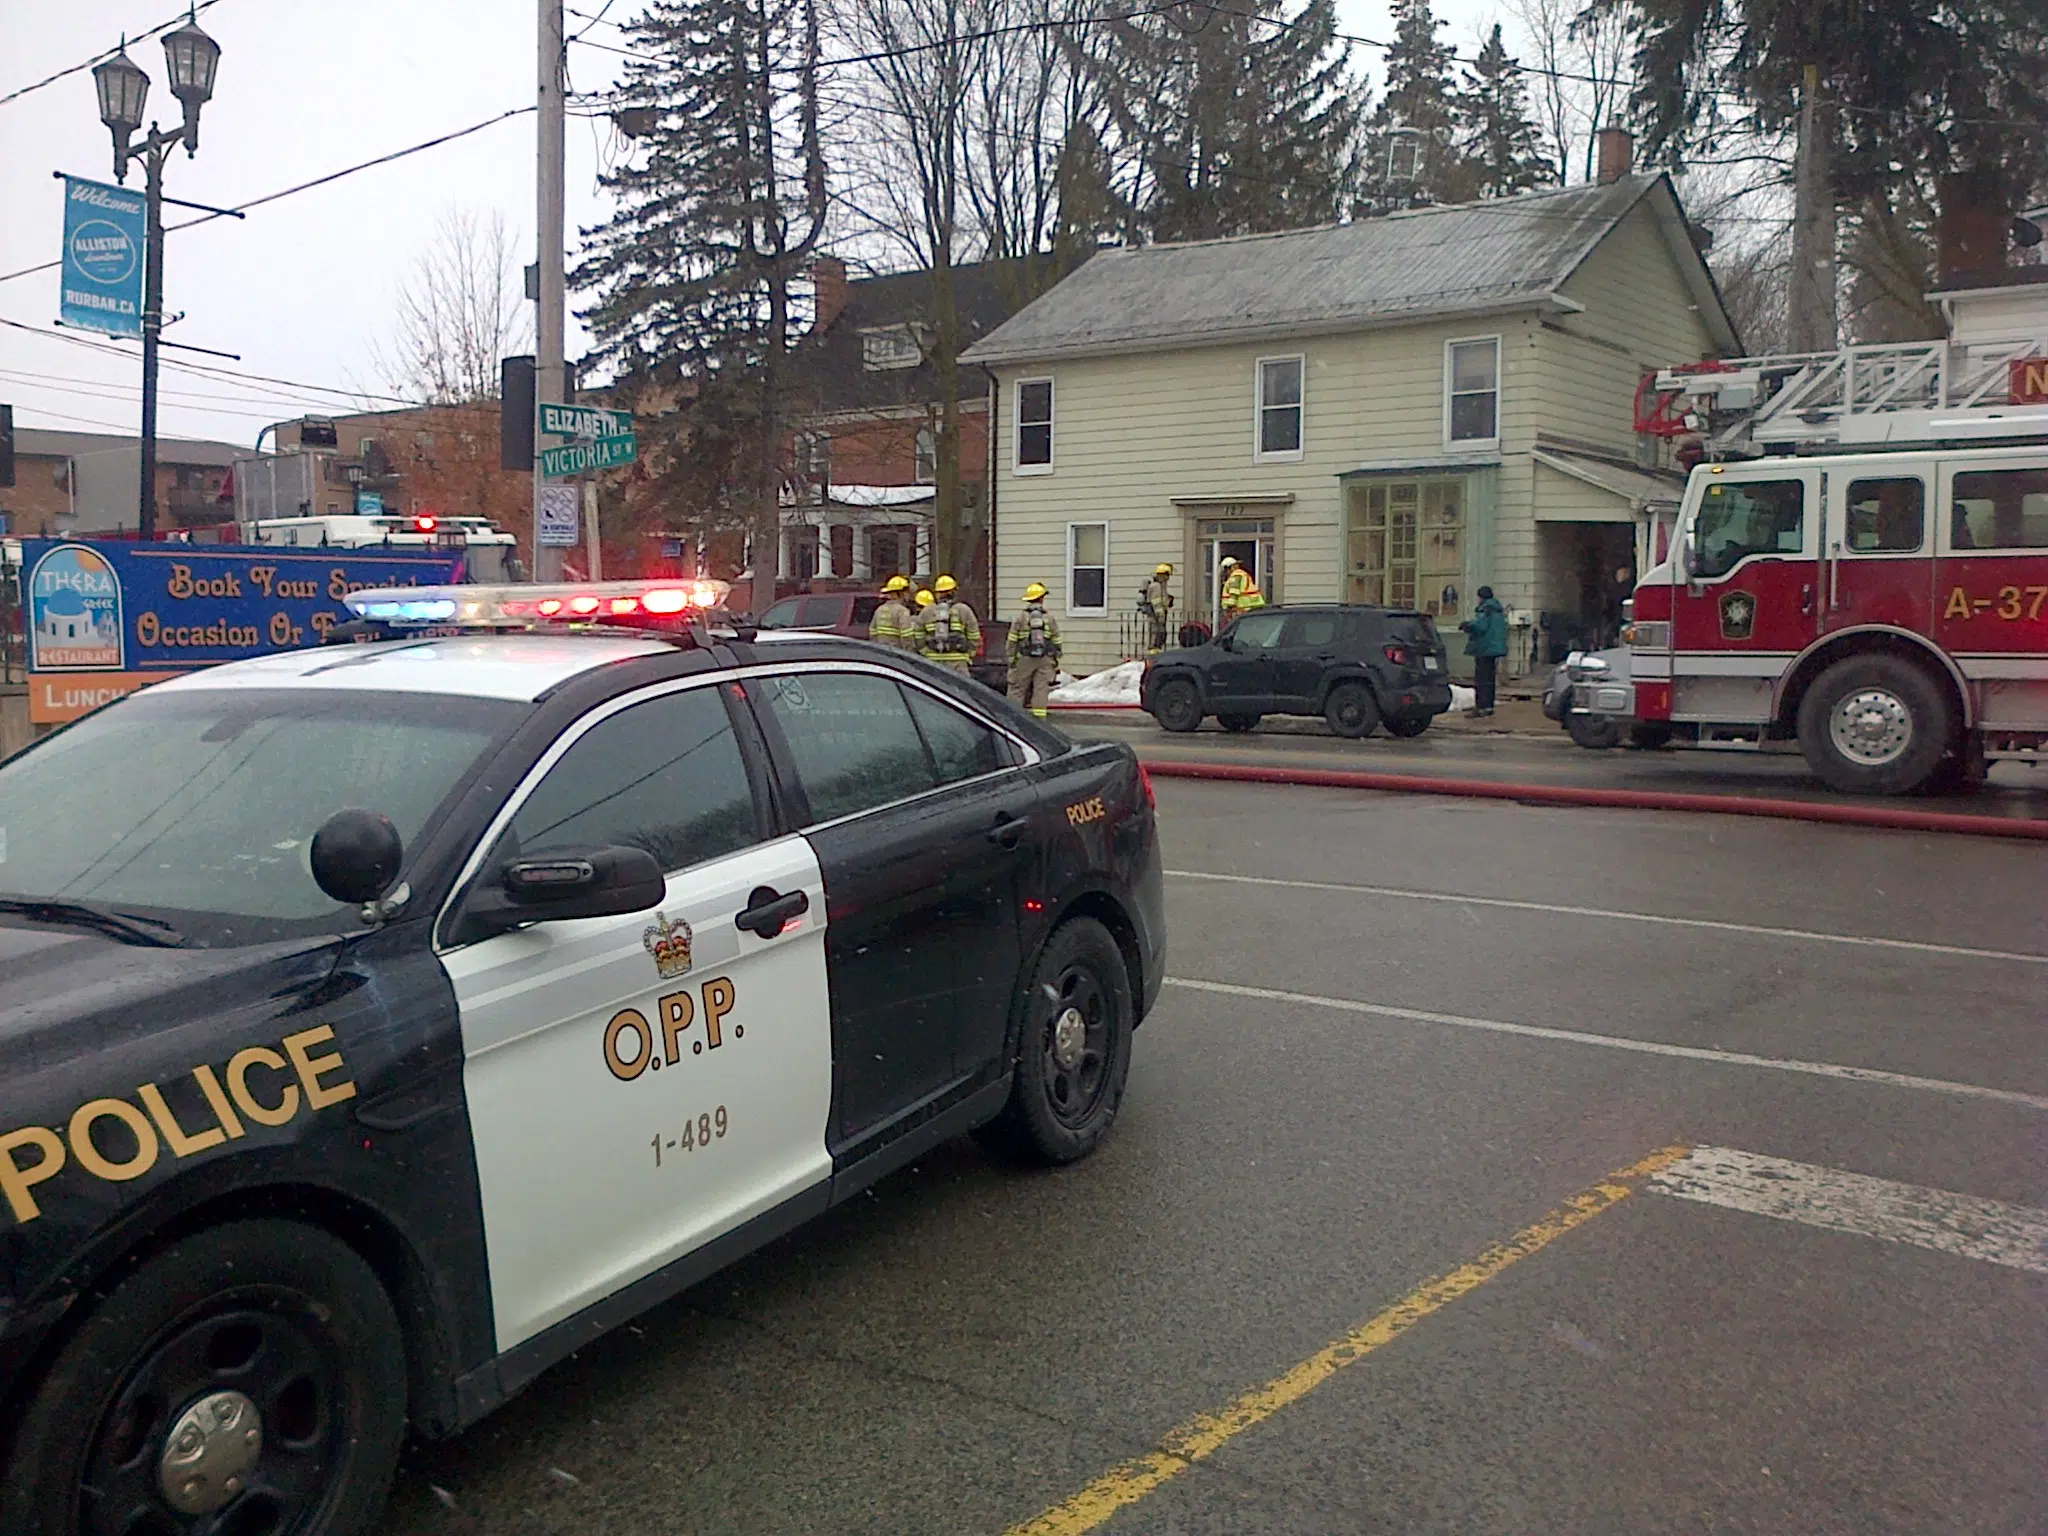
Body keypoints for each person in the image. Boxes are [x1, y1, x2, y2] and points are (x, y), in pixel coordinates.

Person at [1008, 582, 1062, 718]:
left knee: (1017, 689)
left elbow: (1012, 640)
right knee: (1040, 691)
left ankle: (1013, 719)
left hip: (1024, 659)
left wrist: (1012, 659)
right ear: (1042, 598)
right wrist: (1055, 659)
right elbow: (1057, 641)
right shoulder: (1049, 618)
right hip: (1045, 659)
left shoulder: (1020, 617)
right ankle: (1039, 722)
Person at [1459, 584, 1508, 717]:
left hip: (1484, 648)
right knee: (1489, 679)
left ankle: (1481, 707)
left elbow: (1480, 627)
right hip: (1494, 649)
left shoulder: (1485, 609)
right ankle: (1488, 706)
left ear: (1481, 597)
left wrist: (1466, 625)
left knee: (1481, 679)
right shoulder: (1497, 610)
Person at [916, 573, 980, 670]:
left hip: (933, 663)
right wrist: (968, 654)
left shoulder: (927, 611)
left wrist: (926, 653)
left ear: (937, 593)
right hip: (958, 663)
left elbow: (918, 637)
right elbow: (974, 636)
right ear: (954, 591)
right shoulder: (964, 610)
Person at [868, 574, 918, 651]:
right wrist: (910, 653)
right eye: (907, 592)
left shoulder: (879, 609)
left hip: (882, 653)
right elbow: (906, 636)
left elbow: (872, 632)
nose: (909, 596)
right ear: (901, 593)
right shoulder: (902, 611)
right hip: (897, 654)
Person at [1139, 563, 1175, 654]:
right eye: (1167, 575)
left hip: (1157, 616)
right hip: (1155, 616)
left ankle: (1156, 651)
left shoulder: (1160, 586)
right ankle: (1153, 654)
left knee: (1159, 635)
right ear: (1162, 575)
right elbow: (1156, 602)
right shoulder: (1156, 586)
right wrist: (1160, 615)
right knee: (1155, 635)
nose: (1168, 578)